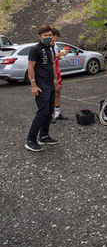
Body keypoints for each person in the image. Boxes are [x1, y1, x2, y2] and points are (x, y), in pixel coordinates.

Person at [25, 24, 58, 152]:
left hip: (50, 83)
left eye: (50, 35)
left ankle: (44, 136)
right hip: (41, 84)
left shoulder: (50, 47)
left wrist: (55, 79)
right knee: (42, 112)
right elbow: (30, 67)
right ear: (39, 36)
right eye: (45, 36)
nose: (48, 37)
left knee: (50, 111)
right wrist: (33, 85)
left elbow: (52, 64)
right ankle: (30, 140)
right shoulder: (35, 49)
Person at [51, 28, 68, 122]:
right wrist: (58, 55)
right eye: (56, 38)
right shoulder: (47, 46)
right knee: (50, 92)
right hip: (49, 70)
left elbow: (57, 58)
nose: (57, 40)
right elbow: (51, 57)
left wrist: (63, 54)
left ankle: (57, 113)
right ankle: (48, 115)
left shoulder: (55, 45)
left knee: (58, 91)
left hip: (56, 69)